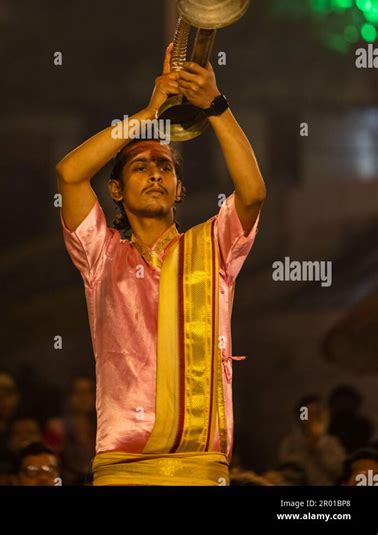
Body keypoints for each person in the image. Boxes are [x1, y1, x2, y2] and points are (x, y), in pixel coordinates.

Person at [57, 43, 266, 485]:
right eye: (140, 167)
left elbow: (252, 193)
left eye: (165, 167)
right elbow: (70, 174)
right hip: (122, 465)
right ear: (115, 190)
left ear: (179, 189)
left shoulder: (212, 245)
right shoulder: (101, 253)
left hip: (202, 463)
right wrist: (148, 114)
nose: (155, 173)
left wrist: (215, 105)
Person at [278, 394, 345, 485]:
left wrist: (319, 448)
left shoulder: (332, 443)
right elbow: (288, 470)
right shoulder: (291, 442)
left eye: (318, 413)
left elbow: (339, 472)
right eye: (310, 414)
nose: (314, 418)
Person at [44, 375, 96, 485]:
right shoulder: (57, 427)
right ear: (68, 397)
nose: (83, 397)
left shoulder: (102, 428)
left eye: (88, 392)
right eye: (77, 392)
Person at [328, 384, 374, 454]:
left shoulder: (362, 425)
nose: (343, 404)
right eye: (341, 401)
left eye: (346, 401)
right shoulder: (326, 425)